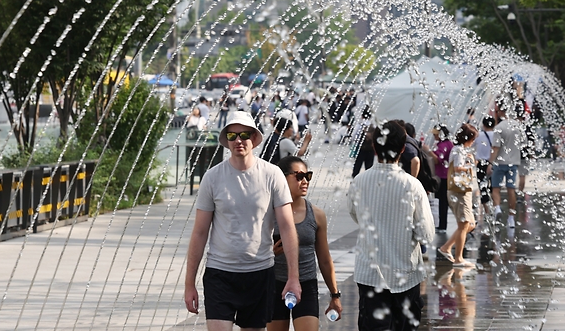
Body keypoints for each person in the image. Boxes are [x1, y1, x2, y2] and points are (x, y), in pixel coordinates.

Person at [185, 112, 302, 330]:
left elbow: (287, 227)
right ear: (227, 141)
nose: (239, 140)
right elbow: (199, 232)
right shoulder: (212, 177)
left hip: (259, 272)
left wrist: (293, 277)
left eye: (244, 135)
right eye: (232, 135)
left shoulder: (272, 174)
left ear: (254, 138)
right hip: (220, 273)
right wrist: (189, 284)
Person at [348, 120, 433, 330]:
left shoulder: (359, 181)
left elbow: (355, 215)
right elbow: (426, 234)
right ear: (403, 149)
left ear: (375, 147)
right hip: (406, 273)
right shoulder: (412, 185)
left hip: (369, 273)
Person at [268, 156, 342, 331]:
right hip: (274, 285)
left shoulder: (316, 214)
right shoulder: (269, 213)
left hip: (306, 284)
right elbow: (251, 250)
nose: (305, 181)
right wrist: (270, 253)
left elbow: (324, 259)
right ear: (282, 178)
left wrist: (335, 295)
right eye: (299, 176)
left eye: (307, 176)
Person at [437, 124, 478, 268]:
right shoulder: (459, 150)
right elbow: (457, 168)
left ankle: (446, 247)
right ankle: (458, 258)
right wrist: (470, 163)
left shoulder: (460, 150)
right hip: (459, 191)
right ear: (467, 138)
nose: (473, 142)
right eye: (472, 139)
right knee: (464, 224)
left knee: (470, 224)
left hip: (462, 191)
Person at [490, 105, 526, 229]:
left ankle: (498, 208)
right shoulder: (518, 126)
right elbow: (523, 143)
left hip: (500, 163)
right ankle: (511, 218)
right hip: (513, 163)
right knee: (511, 190)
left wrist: (490, 163)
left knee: (495, 188)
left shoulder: (499, 128)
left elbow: (495, 147)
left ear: (500, 111)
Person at [431, 124, 453, 232]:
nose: (434, 135)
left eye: (436, 133)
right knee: (445, 201)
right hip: (446, 175)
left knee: (442, 201)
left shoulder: (443, 145)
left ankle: (442, 225)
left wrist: (427, 151)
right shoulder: (447, 143)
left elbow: (437, 160)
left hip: (443, 176)